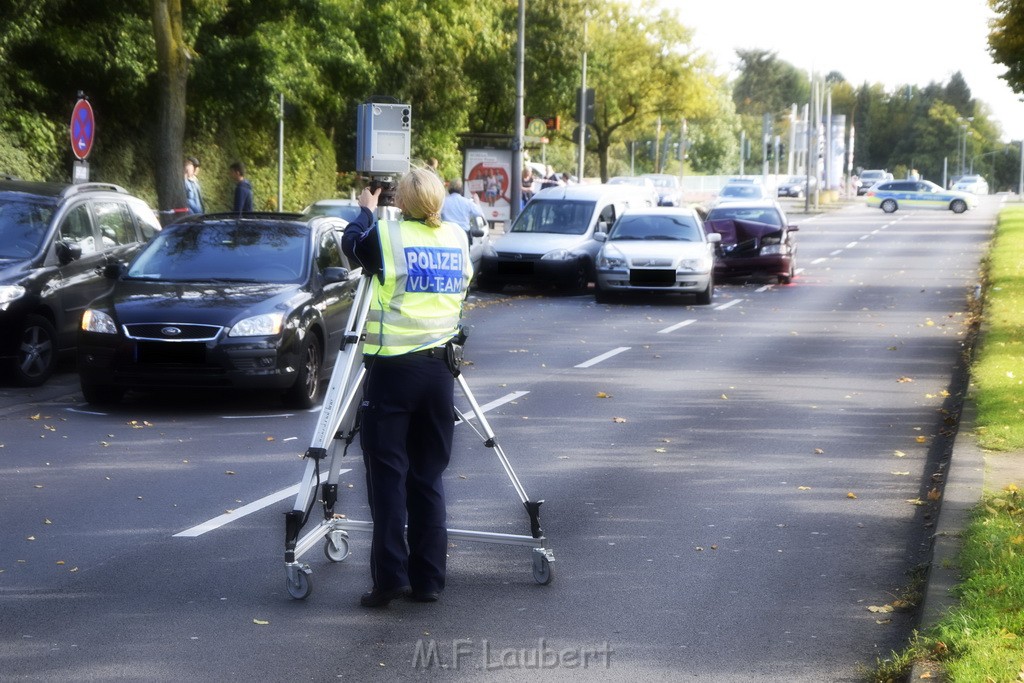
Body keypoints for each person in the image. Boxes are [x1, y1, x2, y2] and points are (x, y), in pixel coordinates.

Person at [341, 167, 473, 608]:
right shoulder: (457, 238)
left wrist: (365, 210)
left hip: (393, 372)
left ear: (400, 202)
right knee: (427, 477)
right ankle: (430, 581)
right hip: (440, 374)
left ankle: (389, 579)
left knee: (388, 478)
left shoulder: (386, 236)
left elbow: (351, 246)